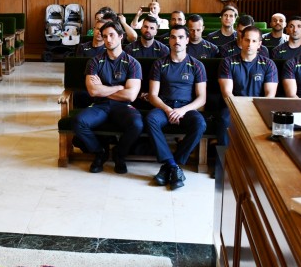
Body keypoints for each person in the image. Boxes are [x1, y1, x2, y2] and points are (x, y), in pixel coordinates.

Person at [71, 21, 143, 174]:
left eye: (112, 35)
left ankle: (119, 153)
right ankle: (99, 152)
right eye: (105, 36)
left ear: (121, 37)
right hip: (101, 105)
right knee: (78, 122)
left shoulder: (132, 63)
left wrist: (102, 88)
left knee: (137, 124)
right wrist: (118, 87)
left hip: (123, 106)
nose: (108, 40)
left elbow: (131, 94)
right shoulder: (94, 62)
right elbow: (93, 92)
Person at [146, 25, 207, 190]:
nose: (176, 41)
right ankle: (173, 166)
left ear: (187, 40)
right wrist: (167, 109)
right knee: (151, 119)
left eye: (180, 37)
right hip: (164, 106)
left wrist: (182, 110)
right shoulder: (159, 64)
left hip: (186, 109)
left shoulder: (197, 65)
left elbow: (202, 98)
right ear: (169, 40)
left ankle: (171, 165)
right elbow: (152, 95)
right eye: (173, 37)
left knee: (200, 124)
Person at [217, 26, 278, 147]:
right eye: (247, 40)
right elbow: (227, 92)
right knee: (224, 120)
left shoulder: (269, 64)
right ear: (241, 40)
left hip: (258, 107)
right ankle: (223, 162)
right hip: (233, 106)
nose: (250, 44)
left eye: (254, 41)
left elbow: (270, 94)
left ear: (259, 44)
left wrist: (256, 110)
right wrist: (240, 109)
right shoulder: (227, 62)